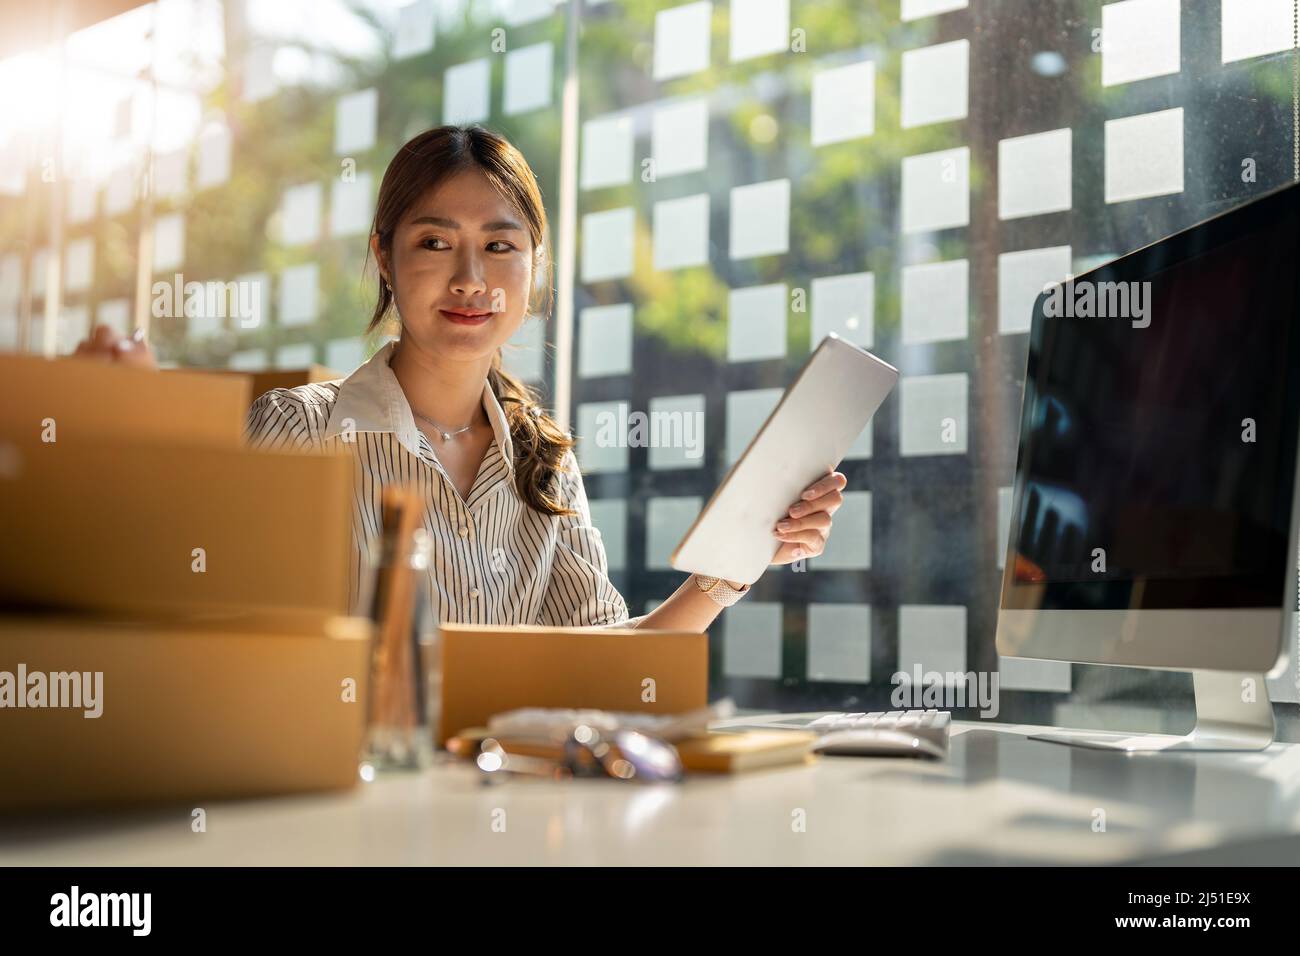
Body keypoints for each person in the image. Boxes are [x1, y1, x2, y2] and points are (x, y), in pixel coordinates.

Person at [73, 125, 847, 633]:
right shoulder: (300, 428)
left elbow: (608, 661)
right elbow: (187, 606)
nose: (472, 278)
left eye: (501, 247)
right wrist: (136, 439)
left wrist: (735, 558)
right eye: (437, 241)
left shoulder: (544, 461)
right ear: (385, 255)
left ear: (534, 267)